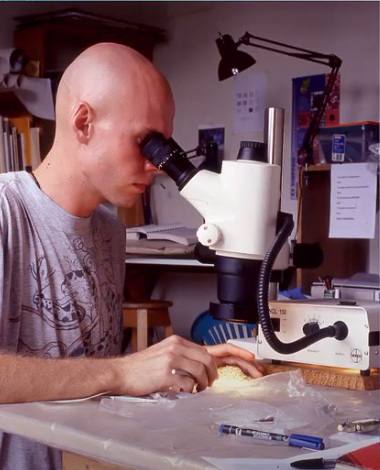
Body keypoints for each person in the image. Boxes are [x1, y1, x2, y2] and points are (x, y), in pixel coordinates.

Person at [0, 43, 263, 470]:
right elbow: (112, 373)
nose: (158, 164)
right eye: (146, 141)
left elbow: (89, 372)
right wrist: (125, 372)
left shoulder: (110, 230)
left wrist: (172, 366)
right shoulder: (6, 213)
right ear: (84, 122)